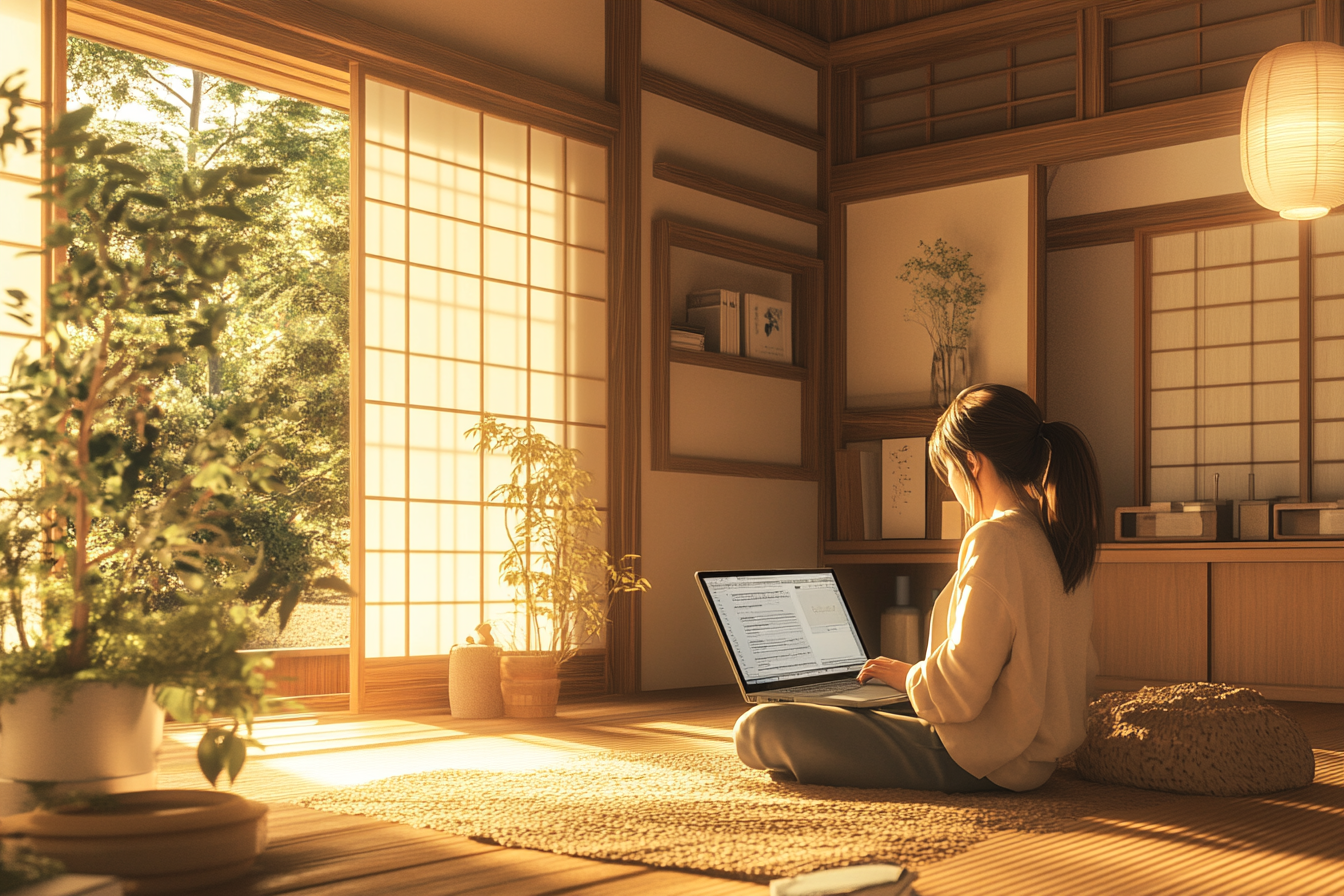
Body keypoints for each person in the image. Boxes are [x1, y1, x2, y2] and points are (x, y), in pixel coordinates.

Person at [733, 384, 1103, 792]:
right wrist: (910, 684)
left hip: (980, 758)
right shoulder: (1056, 535)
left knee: (758, 726)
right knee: (849, 714)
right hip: (1030, 754)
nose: (953, 490)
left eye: (949, 475)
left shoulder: (996, 538)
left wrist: (909, 676)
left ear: (972, 462)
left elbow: (960, 694)